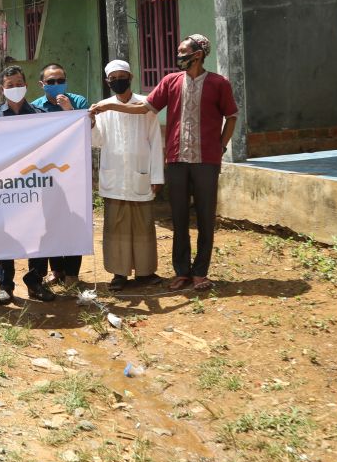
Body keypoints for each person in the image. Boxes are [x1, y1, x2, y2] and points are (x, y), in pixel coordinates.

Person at [90, 34, 238, 292]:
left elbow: (232, 116)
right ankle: (182, 271)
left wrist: (221, 146)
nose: (179, 56)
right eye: (179, 52)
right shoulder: (170, 81)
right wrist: (107, 107)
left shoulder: (218, 83)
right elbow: (144, 108)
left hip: (207, 160)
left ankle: (200, 272)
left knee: (205, 217)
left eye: (184, 52)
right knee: (179, 217)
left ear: (199, 54)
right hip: (177, 160)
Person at [90, 60, 164, 290]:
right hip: (115, 175)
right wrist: (91, 123)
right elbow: (97, 141)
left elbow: (155, 141)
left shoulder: (145, 104)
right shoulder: (102, 106)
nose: (117, 81)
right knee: (116, 226)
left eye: (121, 77)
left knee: (143, 224)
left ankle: (145, 272)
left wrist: (157, 176)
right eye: (113, 79)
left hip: (140, 173)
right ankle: (118, 274)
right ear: (107, 82)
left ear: (130, 77)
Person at [0, 66, 55, 305]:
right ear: (1, 88)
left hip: (34, 186)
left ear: (27, 85)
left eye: (19, 83)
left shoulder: (40, 116)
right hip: (3, 188)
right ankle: (5, 285)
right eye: (10, 85)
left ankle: (35, 281)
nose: (15, 88)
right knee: (6, 231)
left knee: (38, 231)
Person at [30, 63, 91, 290]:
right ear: (42, 84)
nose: (56, 85)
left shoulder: (78, 102)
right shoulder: (34, 107)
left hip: (73, 172)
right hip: (45, 175)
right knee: (50, 221)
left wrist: (68, 111)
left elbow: (86, 129)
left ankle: (72, 273)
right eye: (51, 81)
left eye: (60, 80)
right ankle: (57, 271)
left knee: (75, 220)